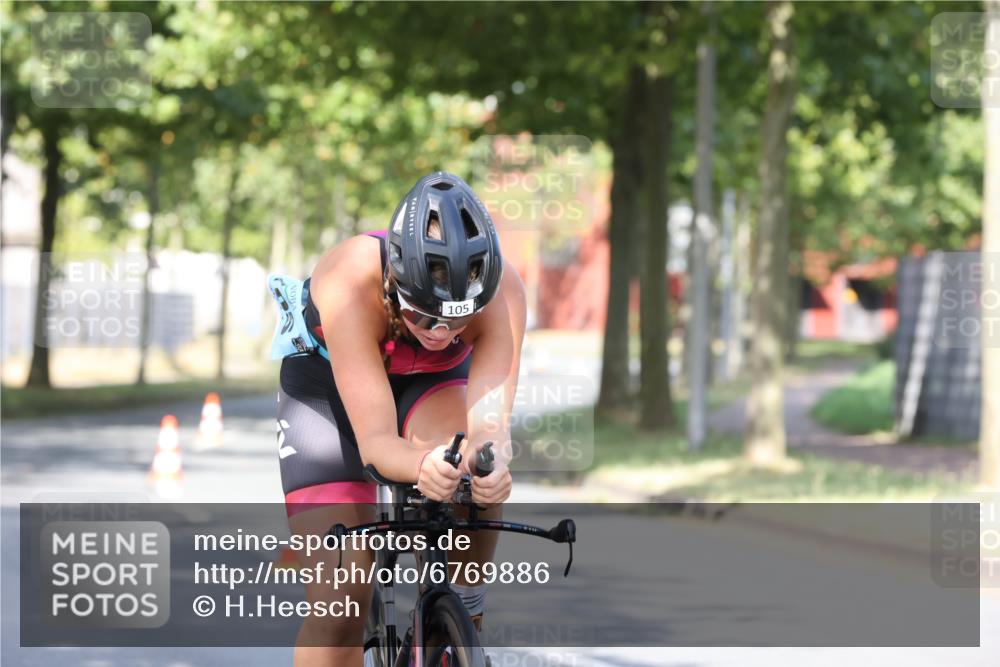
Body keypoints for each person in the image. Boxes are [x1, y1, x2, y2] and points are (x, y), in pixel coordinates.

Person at [271, 171, 526, 666]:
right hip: (327, 389)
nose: (440, 332)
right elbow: (377, 443)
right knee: (340, 601)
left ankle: (461, 612)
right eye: (424, 314)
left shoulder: (502, 293)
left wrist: (490, 463)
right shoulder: (349, 280)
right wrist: (420, 464)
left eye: (458, 319)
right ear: (394, 279)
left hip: (431, 381)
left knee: (472, 477)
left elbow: (489, 430)